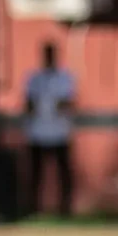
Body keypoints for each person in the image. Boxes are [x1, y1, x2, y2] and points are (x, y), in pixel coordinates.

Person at [24, 41, 75, 217]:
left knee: (64, 174)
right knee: (36, 174)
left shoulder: (64, 77)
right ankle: (33, 209)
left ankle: (65, 209)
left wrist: (46, 104)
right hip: (37, 132)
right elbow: (28, 104)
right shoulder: (34, 78)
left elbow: (67, 102)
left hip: (60, 132)